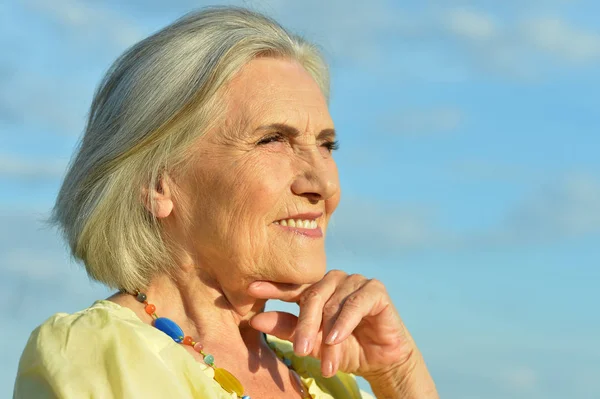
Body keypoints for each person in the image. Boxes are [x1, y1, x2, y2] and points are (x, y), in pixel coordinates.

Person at [13, 6, 439, 399]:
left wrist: (398, 373)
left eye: (327, 145)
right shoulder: (96, 356)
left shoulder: (325, 373)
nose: (323, 183)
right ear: (158, 182)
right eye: (273, 140)